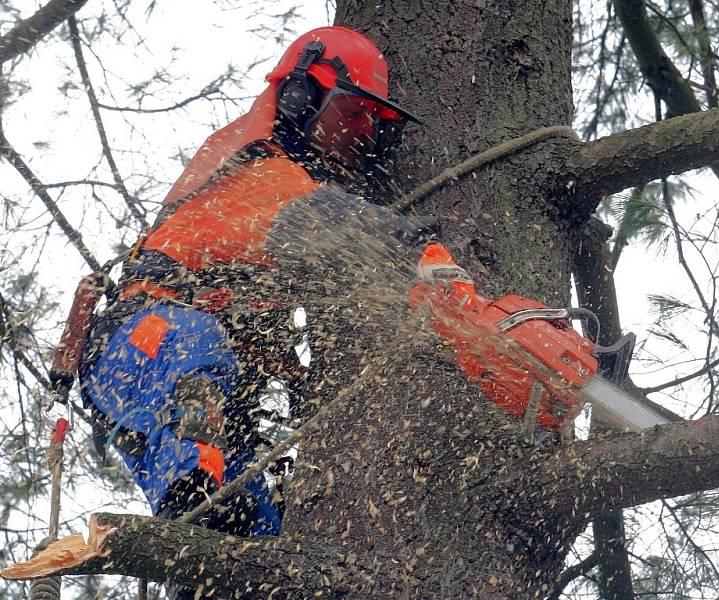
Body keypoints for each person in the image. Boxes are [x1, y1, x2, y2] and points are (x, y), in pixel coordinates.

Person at [79, 25, 447, 599]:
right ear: (303, 94)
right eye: (351, 112)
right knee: (194, 356)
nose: (362, 132)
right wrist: (427, 259)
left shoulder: (290, 187)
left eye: (375, 123)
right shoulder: (257, 175)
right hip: (144, 342)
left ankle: (214, 570)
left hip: (203, 396)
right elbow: (330, 226)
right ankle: (192, 496)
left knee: (261, 534)